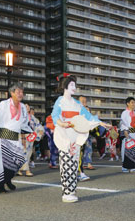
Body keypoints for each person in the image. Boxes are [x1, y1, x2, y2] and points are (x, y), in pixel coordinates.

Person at [51, 74, 110, 203]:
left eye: (75, 85)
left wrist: (100, 122)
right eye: (72, 84)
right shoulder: (60, 101)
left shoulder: (77, 103)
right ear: (65, 86)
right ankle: (66, 192)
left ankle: (72, 191)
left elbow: (88, 116)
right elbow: (55, 116)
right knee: (66, 164)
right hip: (65, 135)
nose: (74, 87)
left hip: (75, 135)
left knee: (74, 164)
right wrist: (62, 123)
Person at [0, 83, 33, 193]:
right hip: (3, 135)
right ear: (12, 93)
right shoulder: (3, 104)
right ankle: (0, 185)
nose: (21, 94)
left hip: (15, 136)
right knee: (2, 162)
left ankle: (8, 179)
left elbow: (25, 123)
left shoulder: (22, 107)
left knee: (19, 159)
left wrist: (30, 133)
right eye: (18, 92)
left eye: (22, 92)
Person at [120, 97, 135, 173]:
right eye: (132, 102)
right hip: (127, 133)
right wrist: (126, 133)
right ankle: (124, 166)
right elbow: (123, 124)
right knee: (126, 150)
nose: (134, 104)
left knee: (134, 150)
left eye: (134, 103)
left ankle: (133, 167)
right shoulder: (124, 113)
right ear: (127, 103)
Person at [17, 104, 36, 177]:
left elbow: (37, 125)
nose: (27, 107)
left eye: (28, 106)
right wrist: (22, 138)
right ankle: (27, 171)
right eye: (25, 106)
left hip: (30, 137)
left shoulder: (32, 117)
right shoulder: (21, 117)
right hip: (23, 137)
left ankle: (19, 170)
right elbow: (20, 127)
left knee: (28, 153)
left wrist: (39, 131)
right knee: (24, 153)